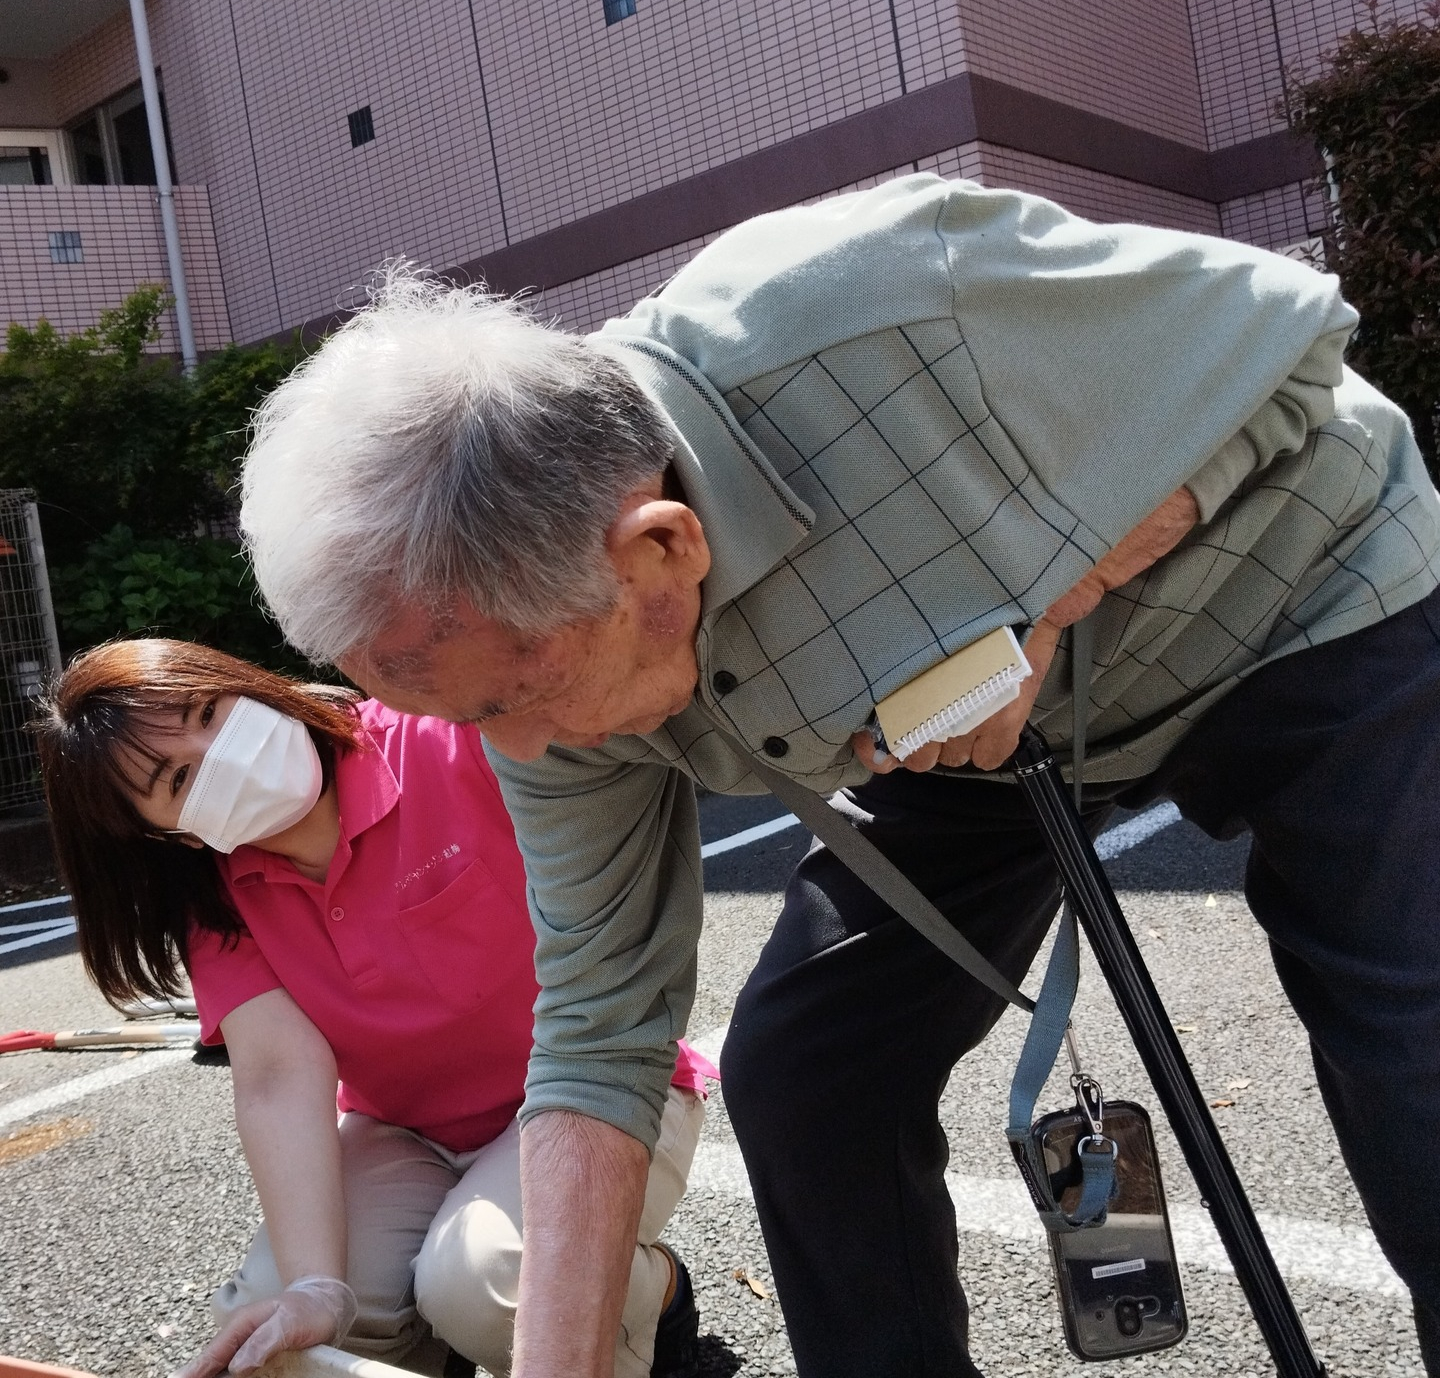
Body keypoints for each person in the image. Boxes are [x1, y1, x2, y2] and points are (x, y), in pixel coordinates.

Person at [237, 173, 1440, 1378]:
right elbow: (601, 1028)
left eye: (510, 701)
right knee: (812, 1077)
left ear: (661, 554)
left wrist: (1051, 599)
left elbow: (1297, 344)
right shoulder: (546, 666)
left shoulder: (888, 296)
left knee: (1416, 1046)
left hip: (1302, 600)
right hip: (963, 727)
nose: (515, 754)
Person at [35, 638, 711, 1378]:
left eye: (210, 710)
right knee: (280, 1324)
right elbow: (277, 1074)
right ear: (171, 836)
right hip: (406, 1128)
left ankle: (654, 1302)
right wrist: (315, 1287)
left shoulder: (444, 738)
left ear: (243, 682)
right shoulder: (217, 900)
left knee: (485, 1284)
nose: (222, 748)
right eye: (184, 775)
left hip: (596, 1093)